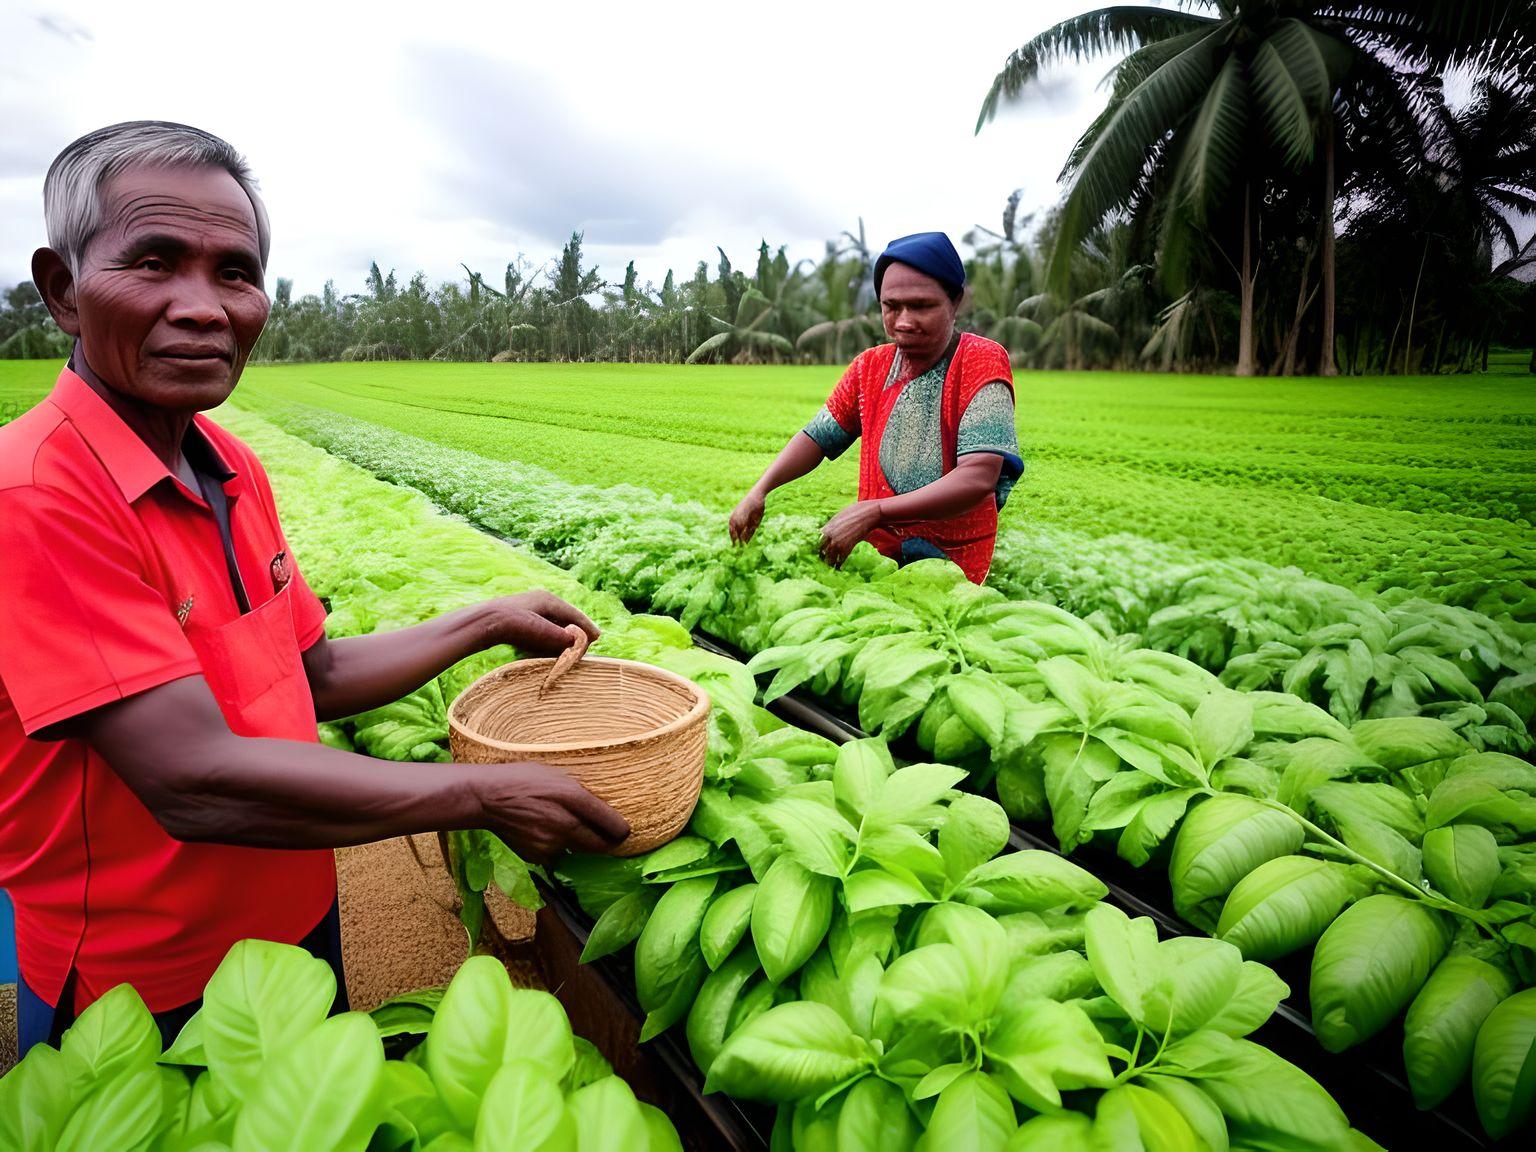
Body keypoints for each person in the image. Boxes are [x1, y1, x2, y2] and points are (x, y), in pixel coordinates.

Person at [0, 122, 630, 1057]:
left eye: (235, 273)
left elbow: (312, 671)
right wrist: (479, 794)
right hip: (143, 981)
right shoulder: (35, 493)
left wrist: (486, 619)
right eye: (155, 262)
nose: (203, 306)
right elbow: (188, 779)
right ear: (62, 290)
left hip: (295, 913)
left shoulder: (228, 463)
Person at [729, 232, 1022, 583]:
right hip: (874, 552)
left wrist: (876, 510)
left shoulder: (979, 360)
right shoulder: (870, 367)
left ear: (955, 301)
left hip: (953, 562)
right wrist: (760, 490)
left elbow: (978, 477)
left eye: (921, 306)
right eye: (891, 306)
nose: (903, 321)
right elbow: (817, 436)